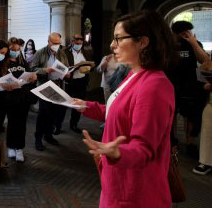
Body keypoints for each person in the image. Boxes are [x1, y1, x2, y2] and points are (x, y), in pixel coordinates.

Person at [73, 11, 178, 207]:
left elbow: (144, 148)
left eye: (118, 38)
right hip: (117, 181)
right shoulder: (134, 74)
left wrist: (117, 152)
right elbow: (120, 111)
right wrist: (87, 106)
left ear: (142, 42)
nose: (112, 45)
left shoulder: (154, 85)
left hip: (135, 192)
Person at [170, 21, 209, 158]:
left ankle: (190, 143)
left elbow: (205, 61)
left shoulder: (194, 44)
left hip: (190, 85)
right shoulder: (168, 46)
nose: (186, 35)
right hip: (171, 85)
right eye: (183, 33)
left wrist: (193, 42)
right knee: (171, 114)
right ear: (175, 33)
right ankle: (172, 140)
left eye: (189, 32)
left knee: (192, 116)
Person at [30, 32, 68, 150]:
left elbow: (66, 67)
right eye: (54, 43)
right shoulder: (40, 52)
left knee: (54, 113)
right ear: (49, 42)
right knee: (43, 113)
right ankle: (38, 139)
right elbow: (32, 69)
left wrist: (67, 73)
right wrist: (45, 70)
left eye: (59, 43)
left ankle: (48, 135)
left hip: (57, 85)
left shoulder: (61, 53)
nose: (57, 45)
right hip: (44, 86)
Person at [5, 37, 37, 162]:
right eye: (13, 49)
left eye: (18, 49)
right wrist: (12, 83)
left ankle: (19, 148)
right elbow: (2, 77)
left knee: (22, 123)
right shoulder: (5, 62)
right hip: (11, 96)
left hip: (24, 96)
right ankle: (11, 146)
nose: (16, 51)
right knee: (12, 122)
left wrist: (32, 77)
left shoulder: (22, 61)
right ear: (8, 49)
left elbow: (29, 74)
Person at [63, 34, 94, 133]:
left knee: (78, 105)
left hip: (82, 81)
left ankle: (74, 124)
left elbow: (90, 63)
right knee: (63, 104)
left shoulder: (86, 51)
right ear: (72, 42)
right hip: (70, 81)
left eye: (80, 43)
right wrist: (71, 68)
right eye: (77, 43)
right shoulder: (65, 52)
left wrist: (89, 68)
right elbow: (62, 66)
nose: (79, 45)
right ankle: (57, 125)